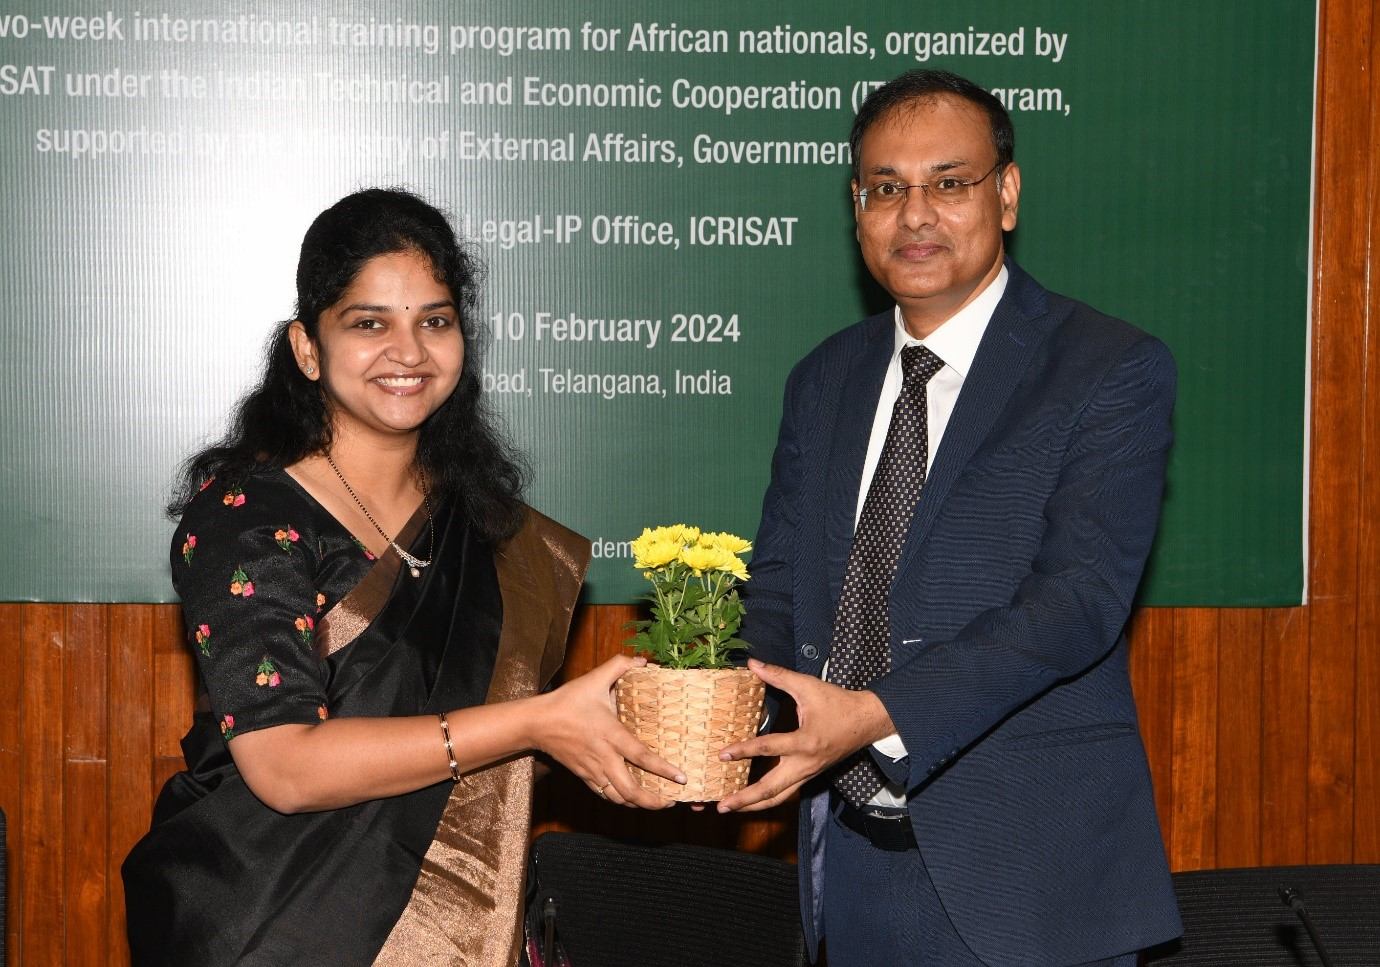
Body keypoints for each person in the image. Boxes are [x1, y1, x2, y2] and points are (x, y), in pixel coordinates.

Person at [122, 188, 683, 967]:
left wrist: (601, 745)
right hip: (263, 929)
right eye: (369, 322)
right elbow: (284, 765)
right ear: (308, 347)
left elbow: (474, 748)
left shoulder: (490, 531)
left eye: (435, 320)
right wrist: (536, 722)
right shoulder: (247, 520)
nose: (409, 351)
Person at [717, 70, 1183, 966]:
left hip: (1028, 890)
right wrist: (716, 703)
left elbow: (1079, 601)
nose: (915, 214)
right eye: (886, 188)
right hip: (844, 876)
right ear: (857, 210)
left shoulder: (1108, 369)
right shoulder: (823, 380)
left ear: (1006, 195)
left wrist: (873, 712)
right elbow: (777, 588)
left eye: (950, 182)